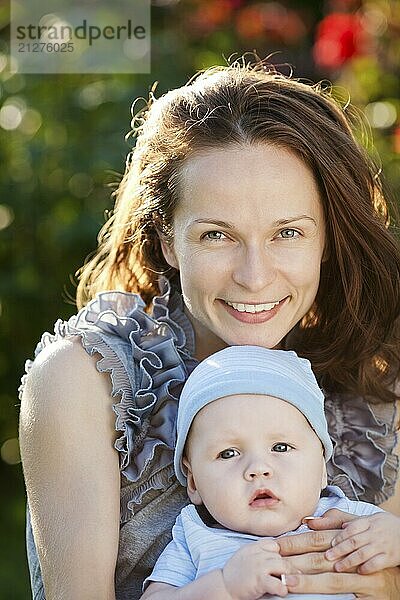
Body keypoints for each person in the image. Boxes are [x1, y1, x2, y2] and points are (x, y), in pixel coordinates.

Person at [18, 58, 400, 600]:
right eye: (217, 236)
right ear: (169, 239)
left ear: (328, 238)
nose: (254, 275)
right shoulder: (85, 381)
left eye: (287, 232)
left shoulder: (376, 385)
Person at [142, 345, 399, 600]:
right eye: (228, 453)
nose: (258, 469)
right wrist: (225, 586)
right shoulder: (195, 534)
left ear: (322, 467)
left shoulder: (353, 520)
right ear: (194, 481)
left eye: (281, 447)